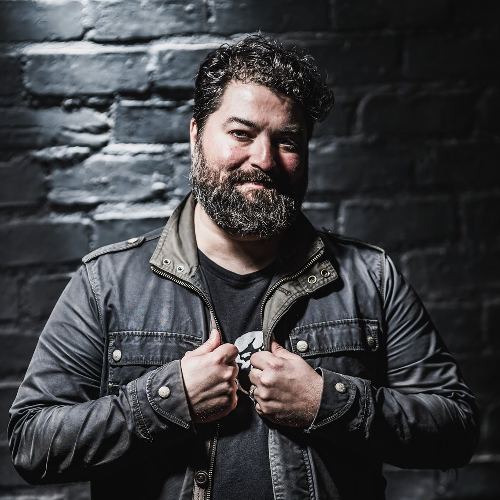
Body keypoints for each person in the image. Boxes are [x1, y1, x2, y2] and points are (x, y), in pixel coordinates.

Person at [9, 35, 477, 500]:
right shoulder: (108, 283)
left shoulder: (370, 277)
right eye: (241, 134)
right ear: (196, 135)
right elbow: (33, 443)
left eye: (287, 140)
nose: (265, 160)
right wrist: (167, 399)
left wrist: (327, 401)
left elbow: (456, 428)